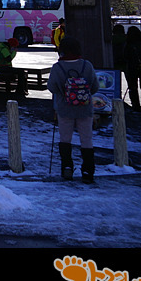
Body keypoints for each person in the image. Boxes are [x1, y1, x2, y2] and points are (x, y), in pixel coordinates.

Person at [47, 36, 100, 183]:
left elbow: (51, 87)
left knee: (65, 139)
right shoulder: (87, 65)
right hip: (85, 109)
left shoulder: (57, 67)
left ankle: (67, 168)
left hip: (65, 109)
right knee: (86, 139)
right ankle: (88, 171)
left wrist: (63, 92)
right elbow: (95, 87)